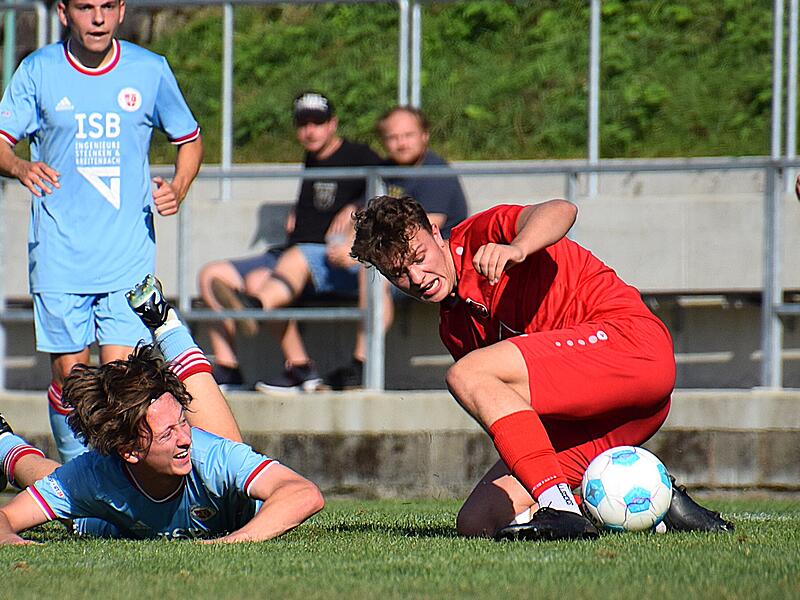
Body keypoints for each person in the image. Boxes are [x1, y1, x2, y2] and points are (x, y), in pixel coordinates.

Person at [350, 195, 734, 541]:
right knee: (479, 519)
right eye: (398, 274)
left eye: (418, 258)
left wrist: (517, 248)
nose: (415, 278)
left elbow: (562, 210)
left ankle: (562, 510)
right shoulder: (453, 326)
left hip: (632, 346)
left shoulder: (482, 235)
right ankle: (656, 499)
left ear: (436, 232)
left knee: (467, 374)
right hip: (617, 417)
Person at [0, 0, 203, 462]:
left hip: (126, 256)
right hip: (59, 253)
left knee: (123, 384)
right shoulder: (39, 70)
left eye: (107, 6)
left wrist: (178, 186)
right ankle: (77, 474)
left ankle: (116, 488)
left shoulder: (149, 70)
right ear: (63, 12)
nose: (97, 18)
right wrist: (17, 165)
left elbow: (188, 138)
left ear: (121, 10)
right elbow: (1, 139)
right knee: (71, 383)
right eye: (86, 7)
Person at [0, 276, 323, 543]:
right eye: (168, 433)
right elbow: (6, 518)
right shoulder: (92, 477)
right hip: (112, 523)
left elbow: (303, 494)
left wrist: (229, 542)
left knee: (226, 442)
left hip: (212, 495)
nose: (185, 437)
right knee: (57, 482)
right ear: (129, 451)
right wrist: (12, 540)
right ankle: (3, 443)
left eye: (182, 422)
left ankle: (164, 324)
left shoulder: (210, 455)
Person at [198, 91, 381, 391]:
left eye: (318, 123)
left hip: (324, 259)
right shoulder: (312, 156)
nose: (310, 130)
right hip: (291, 252)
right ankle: (229, 367)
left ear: (333, 124)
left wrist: (356, 206)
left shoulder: (358, 155)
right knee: (211, 275)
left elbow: (389, 186)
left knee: (260, 281)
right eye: (303, 123)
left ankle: (285, 349)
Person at [322, 106, 468, 390]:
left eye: (408, 135)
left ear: (424, 136)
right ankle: (298, 367)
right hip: (383, 259)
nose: (401, 143)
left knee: (371, 276)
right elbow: (367, 219)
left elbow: (417, 239)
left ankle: (362, 364)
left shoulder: (436, 175)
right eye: (392, 137)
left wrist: (356, 257)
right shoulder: (386, 173)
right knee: (300, 260)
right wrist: (350, 213)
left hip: (424, 267)